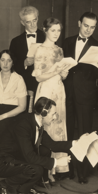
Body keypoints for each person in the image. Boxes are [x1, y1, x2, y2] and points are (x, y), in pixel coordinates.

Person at [0, 97, 73, 194]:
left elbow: (53, 145)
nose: (55, 117)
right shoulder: (23, 125)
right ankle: (1, 185)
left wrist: (76, 143)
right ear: (43, 113)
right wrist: (56, 162)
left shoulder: (37, 122)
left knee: (44, 151)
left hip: (14, 155)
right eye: (53, 114)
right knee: (35, 169)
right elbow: (30, 157)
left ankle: (24, 189)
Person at [62, 12, 98, 184]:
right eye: (86, 25)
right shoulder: (67, 41)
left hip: (86, 97)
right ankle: (67, 169)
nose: (88, 30)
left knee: (84, 133)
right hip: (66, 93)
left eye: (92, 27)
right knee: (67, 131)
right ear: (79, 23)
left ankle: (82, 171)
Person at [32, 17, 69, 180]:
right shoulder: (39, 50)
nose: (56, 34)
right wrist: (56, 72)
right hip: (46, 89)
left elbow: (62, 73)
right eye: (53, 30)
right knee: (46, 126)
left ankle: (56, 167)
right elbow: (38, 78)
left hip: (59, 90)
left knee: (58, 125)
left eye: (59, 30)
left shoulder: (60, 50)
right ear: (45, 30)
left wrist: (64, 73)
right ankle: (44, 169)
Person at [0, 49, 27, 143]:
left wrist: (3, 116)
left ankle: (0, 156)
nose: (5, 63)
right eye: (3, 60)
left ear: (13, 63)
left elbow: (22, 107)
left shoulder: (18, 79)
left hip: (12, 114)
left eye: (9, 60)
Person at [9, 6, 45, 95]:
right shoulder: (15, 41)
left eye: (35, 20)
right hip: (23, 84)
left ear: (38, 18)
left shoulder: (47, 37)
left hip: (43, 83)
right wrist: (24, 63)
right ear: (22, 23)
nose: (33, 25)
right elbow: (11, 65)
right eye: (28, 22)